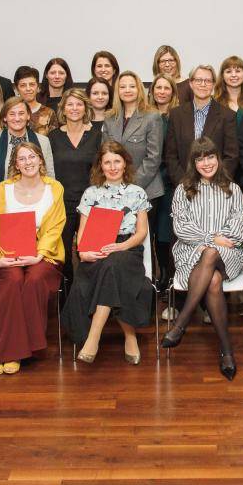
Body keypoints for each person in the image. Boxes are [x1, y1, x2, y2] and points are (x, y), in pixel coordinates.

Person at [161, 138, 243, 381]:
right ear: (193, 163)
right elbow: (181, 227)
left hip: (228, 254)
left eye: (210, 157)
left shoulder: (233, 189)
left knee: (210, 253)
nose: (206, 163)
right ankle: (227, 351)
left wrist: (212, 242)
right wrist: (212, 238)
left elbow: (237, 230)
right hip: (190, 252)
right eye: (200, 159)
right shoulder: (183, 189)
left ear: (218, 159)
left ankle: (181, 323)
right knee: (213, 281)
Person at [0, 142, 66, 375]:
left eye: (32, 156)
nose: (28, 162)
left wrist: (38, 255)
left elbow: (55, 228)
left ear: (40, 159)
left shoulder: (54, 188)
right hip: (8, 252)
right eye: (22, 158)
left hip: (43, 254)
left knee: (34, 280)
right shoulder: (3, 189)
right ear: (15, 164)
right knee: (12, 280)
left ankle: (20, 350)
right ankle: (1, 351)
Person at [64, 142, 155, 364]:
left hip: (127, 249)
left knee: (113, 265)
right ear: (100, 166)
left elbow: (142, 232)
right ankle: (130, 336)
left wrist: (121, 247)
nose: (112, 167)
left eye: (117, 161)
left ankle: (93, 338)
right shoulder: (90, 193)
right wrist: (83, 253)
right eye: (107, 162)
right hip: (96, 250)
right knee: (109, 268)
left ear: (125, 164)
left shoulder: (137, 192)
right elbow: (82, 232)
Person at [48, 89, 104, 291]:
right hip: (61, 204)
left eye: (79, 104)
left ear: (85, 108)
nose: (74, 108)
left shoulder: (97, 135)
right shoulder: (52, 137)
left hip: (92, 206)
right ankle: (68, 296)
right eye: (70, 104)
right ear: (63, 108)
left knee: (91, 255)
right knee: (62, 255)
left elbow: (102, 169)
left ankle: (89, 296)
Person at [0, 98, 56, 230]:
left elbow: (50, 176)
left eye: (21, 113)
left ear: (28, 116)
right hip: (1, 210)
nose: (17, 118)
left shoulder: (43, 142)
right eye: (12, 114)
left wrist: (51, 212)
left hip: (36, 211)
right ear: (5, 117)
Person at [163, 65, 239, 186]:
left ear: (213, 85)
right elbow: (170, 156)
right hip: (184, 186)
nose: (203, 84)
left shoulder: (227, 116)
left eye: (208, 81)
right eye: (198, 80)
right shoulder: (176, 114)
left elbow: (231, 156)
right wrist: (184, 184)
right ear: (191, 83)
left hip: (217, 186)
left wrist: (214, 184)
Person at [104, 71, 164, 202]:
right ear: (117, 91)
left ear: (139, 89)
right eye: (122, 86)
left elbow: (153, 158)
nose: (127, 90)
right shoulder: (109, 118)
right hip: (114, 190)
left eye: (132, 86)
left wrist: (130, 187)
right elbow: (105, 155)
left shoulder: (152, 117)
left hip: (146, 190)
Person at [150, 75, 180, 290]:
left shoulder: (178, 116)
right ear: (152, 91)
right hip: (149, 180)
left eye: (166, 88)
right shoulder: (145, 115)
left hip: (171, 180)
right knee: (151, 232)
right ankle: (157, 274)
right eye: (158, 88)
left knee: (165, 231)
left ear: (173, 92)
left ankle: (168, 274)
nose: (162, 91)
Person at [214, 55, 243, 123]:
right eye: (229, 71)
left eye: (237, 71)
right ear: (222, 76)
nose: (234, 75)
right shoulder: (214, 102)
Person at [14, 65, 55, 135]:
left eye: (32, 84)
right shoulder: (11, 113)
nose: (28, 89)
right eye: (23, 85)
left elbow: (54, 139)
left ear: (38, 87)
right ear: (17, 89)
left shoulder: (49, 113)